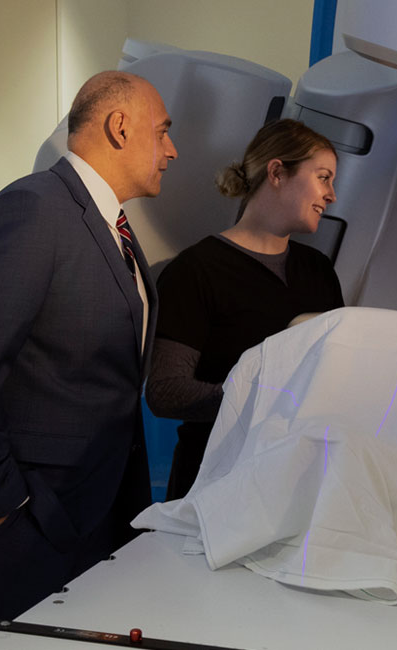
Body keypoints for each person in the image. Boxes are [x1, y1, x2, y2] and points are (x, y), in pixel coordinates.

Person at [0, 70, 177, 650]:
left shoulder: (109, 223)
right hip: (25, 517)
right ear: (120, 126)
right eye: (162, 132)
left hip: (89, 507)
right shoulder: (33, 210)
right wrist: (3, 505)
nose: (172, 150)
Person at [145, 119, 344, 500]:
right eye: (323, 177)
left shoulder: (318, 270)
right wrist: (264, 400)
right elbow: (166, 391)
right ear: (277, 172)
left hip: (295, 481)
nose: (332, 194)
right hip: (215, 482)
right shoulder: (196, 271)